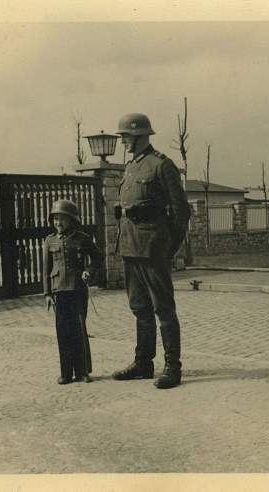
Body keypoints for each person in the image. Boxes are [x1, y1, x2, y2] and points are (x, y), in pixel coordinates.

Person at [111, 113, 190, 389]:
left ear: (141, 135)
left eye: (126, 137)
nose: (123, 142)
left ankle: (172, 367)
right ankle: (143, 362)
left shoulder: (161, 165)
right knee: (139, 308)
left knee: (163, 309)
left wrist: (169, 247)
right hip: (131, 248)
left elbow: (181, 211)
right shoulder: (131, 167)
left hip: (153, 249)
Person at [43, 199, 101, 385]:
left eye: (63, 219)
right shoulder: (49, 240)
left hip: (77, 289)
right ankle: (66, 373)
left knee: (78, 329)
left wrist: (89, 272)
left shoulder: (82, 238)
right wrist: (47, 294)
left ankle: (82, 371)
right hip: (59, 291)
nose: (58, 223)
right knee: (63, 332)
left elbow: (97, 257)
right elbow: (45, 270)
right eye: (55, 219)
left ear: (72, 220)